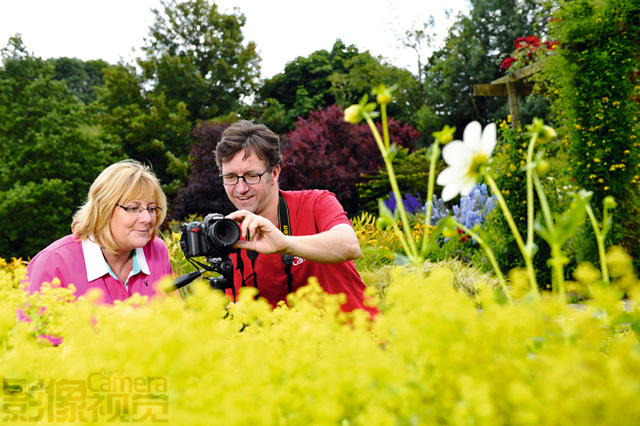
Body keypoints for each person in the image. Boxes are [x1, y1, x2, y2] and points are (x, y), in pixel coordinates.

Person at [215, 120, 379, 316]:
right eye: (231, 177)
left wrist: (285, 243)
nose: (241, 188)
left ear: (274, 173)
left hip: (362, 339)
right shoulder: (227, 238)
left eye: (251, 176)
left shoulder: (316, 202)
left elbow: (350, 245)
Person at [23, 159, 173, 303]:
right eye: (133, 208)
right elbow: (35, 327)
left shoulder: (157, 251)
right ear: (103, 210)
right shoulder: (53, 263)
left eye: (152, 208)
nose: (147, 218)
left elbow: (175, 320)